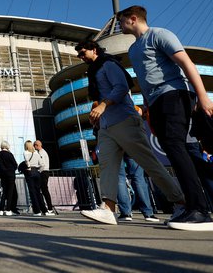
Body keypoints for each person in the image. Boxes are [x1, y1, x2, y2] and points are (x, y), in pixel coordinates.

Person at [118, 5, 213, 231]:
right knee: (178, 152)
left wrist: (203, 96)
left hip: (174, 95)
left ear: (133, 19)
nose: (119, 25)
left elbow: (186, 63)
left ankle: (199, 211)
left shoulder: (159, 35)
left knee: (177, 148)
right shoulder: (134, 49)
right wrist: (148, 110)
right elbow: (146, 80)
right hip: (156, 103)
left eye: (121, 21)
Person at [74, 39, 186, 227]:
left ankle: (181, 203)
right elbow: (103, 96)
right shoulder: (93, 71)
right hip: (106, 126)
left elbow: (122, 87)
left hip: (125, 121)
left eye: (83, 53)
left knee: (149, 163)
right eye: (79, 55)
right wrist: (98, 115)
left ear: (94, 50)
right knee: (107, 167)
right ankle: (108, 209)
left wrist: (103, 105)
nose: (81, 57)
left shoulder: (108, 64)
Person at [116, 154, 160, 222]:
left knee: (120, 177)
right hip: (131, 145)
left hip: (115, 146)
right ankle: (148, 213)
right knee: (138, 177)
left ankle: (125, 213)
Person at [23, 140, 47, 216]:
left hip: (30, 172)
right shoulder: (36, 153)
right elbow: (42, 164)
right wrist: (39, 171)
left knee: (32, 192)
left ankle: (37, 211)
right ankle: (44, 210)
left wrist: (29, 168)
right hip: (37, 172)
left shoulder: (25, 152)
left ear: (26, 146)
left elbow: (27, 162)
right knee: (38, 192)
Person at [34, 140, 56, 216]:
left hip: (43, 172)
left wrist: (38, 171)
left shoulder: (41, 153)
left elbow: (42, 164)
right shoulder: (43, 152)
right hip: (45, 172)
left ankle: (49, 208)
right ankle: (48, 207)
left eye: (34, 146)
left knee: (44, 190)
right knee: (44, 190)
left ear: (37, 145)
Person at [0, 140, 18, 216]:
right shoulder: (9, 154)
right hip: (11, 175)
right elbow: (15, 165)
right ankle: (8, 209)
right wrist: (11, 169)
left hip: (3, 175)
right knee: (10, 192)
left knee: (4, 192)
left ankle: (1, 209)